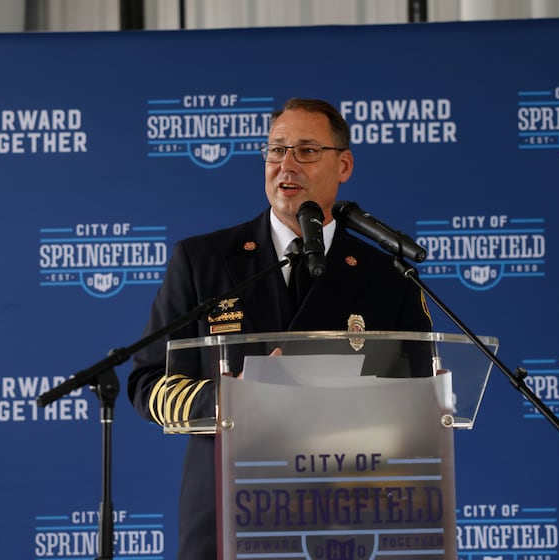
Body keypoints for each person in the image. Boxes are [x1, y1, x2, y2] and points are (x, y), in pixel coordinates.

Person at [126, 98, 433, 560]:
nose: (286, 165)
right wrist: (230, 400)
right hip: (230, 507)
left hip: (347, 510)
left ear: (343, 164)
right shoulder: (203, 260)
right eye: (276, 150)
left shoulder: (388, 273)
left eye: (307, 151)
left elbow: (422, 394)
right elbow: (147, 382)